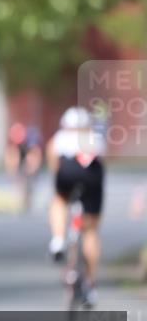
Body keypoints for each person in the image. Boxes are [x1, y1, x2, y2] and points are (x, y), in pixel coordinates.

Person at [46, 106, 106, 306]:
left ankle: (58, 239)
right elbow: (103, 160)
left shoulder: (61, 137)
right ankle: (90, 284)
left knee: (59, 200)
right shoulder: (94, 137)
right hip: (92, 174)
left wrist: (57, 177)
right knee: (90, 231)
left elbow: (52, 156)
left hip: (68, 169)